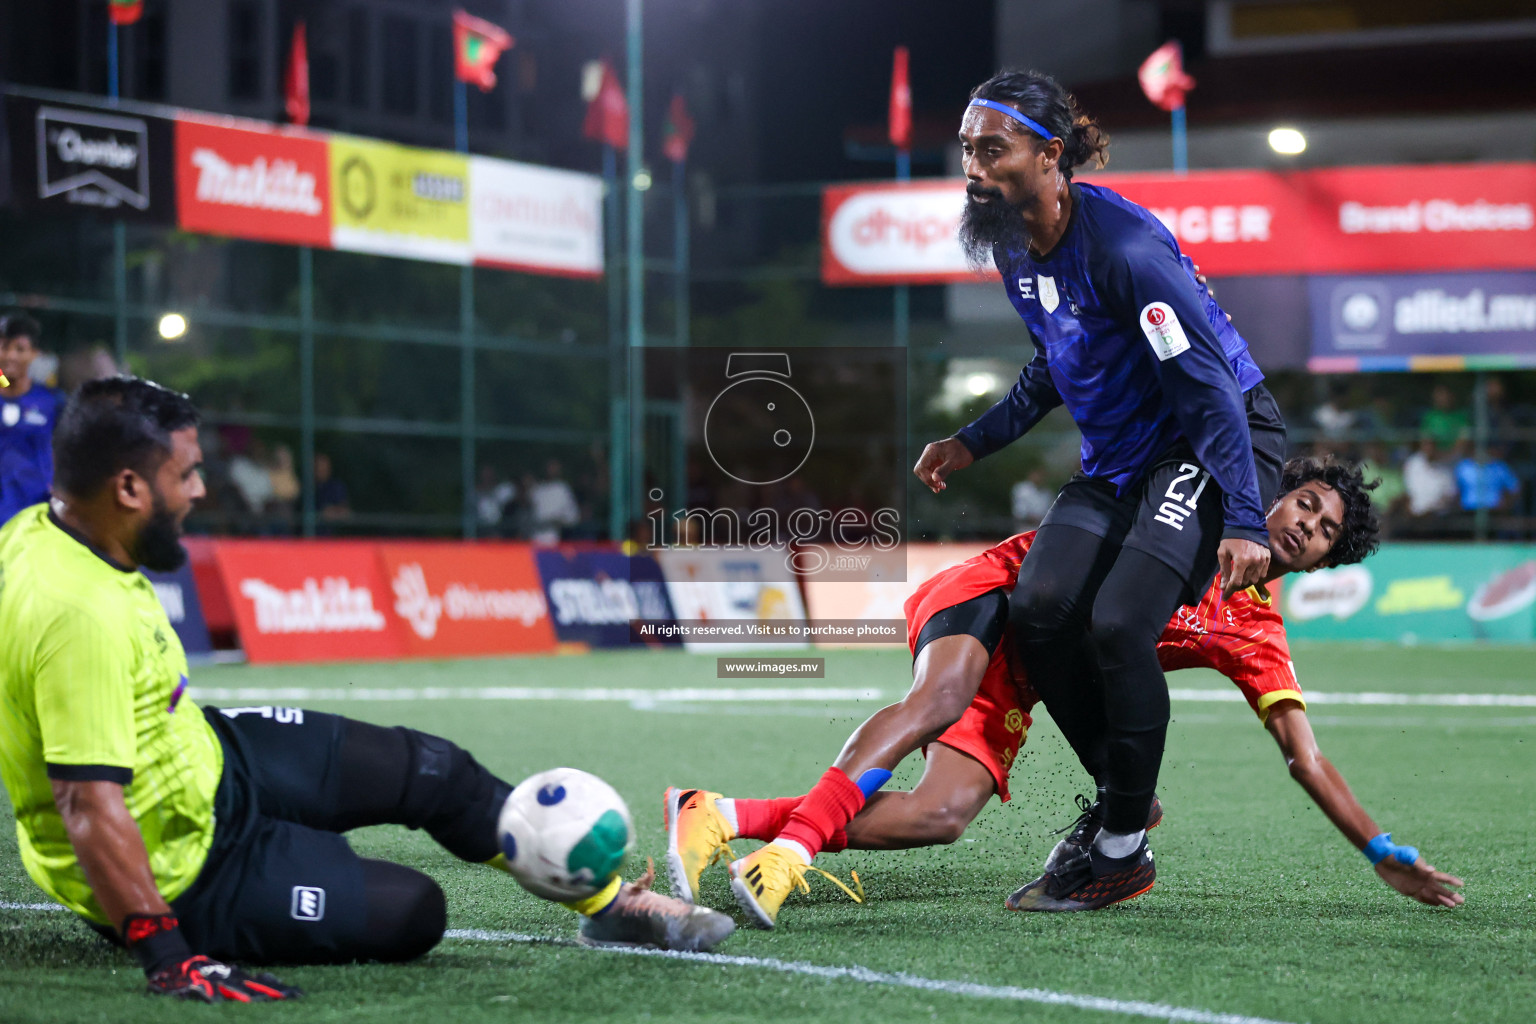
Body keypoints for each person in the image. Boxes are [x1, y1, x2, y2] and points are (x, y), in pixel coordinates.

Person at [0, 378, 732, 1004]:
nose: (200, 489)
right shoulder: (77, 615)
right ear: (128, 488)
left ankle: (612, 906)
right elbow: (86, 805)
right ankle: (264, 868)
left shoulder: (42, 527)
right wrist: (167, 953)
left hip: (211, 757)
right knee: (413, 912)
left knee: (434, 769)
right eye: (185, 474)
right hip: (185, 868)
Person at [667, 458, 1463, 926]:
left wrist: (1381, 851)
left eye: (1325, 531)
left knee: (941, 816)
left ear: (1325, 562)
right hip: (1000, 593)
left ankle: (720, 814)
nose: (1307, 525)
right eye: (1307, 503)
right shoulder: (1205, 503)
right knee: (937, 701)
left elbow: (1304, 758)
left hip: (1026, 673)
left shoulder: (1252, 631)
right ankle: (796, 850)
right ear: (1282, 493)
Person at [911, 70, 1285, 905]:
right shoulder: (1015, 245)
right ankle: (1126, 794)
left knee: (1119, 622)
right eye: (967, 149)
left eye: (992, 149)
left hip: (1210, 439)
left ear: (1051, 156)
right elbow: (1057, 360)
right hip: (1119, 459)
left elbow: (1210, 388)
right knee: (1040, 613)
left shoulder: (1124, 250)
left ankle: (1118, 851)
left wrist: (1248, 517)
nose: (973, 167)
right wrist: (975, 442)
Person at [0, 313, 63, 526]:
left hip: (35, 515)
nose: (10, 356)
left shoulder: (51, 401)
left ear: (34, 353)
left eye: (19, 349)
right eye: (4, 347)